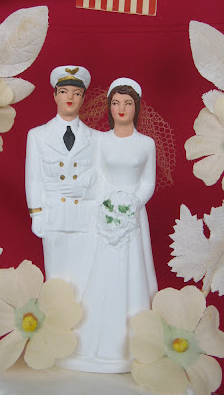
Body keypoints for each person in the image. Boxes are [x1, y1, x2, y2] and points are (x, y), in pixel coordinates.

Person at [59, 77, 158, 373]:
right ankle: (94, 343)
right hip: (105, 214)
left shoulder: (146, 144)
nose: (121, 109)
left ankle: (131, 346)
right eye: (116, 103)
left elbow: (148, 182)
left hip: (133, 215)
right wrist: (109, 200)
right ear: (109, 107)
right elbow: (97, 174)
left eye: (127, 103)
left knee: (132, 270)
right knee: (101, 270)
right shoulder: (101, 140)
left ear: (136, 107)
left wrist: (132, 203)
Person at [25, 66, 99, 297]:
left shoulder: (96, 138)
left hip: (85, 219)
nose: (70, 98)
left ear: (83, 98)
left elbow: (101, 179)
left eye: (76, 94)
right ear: (55, 95)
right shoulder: (37, 135)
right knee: (56, 279)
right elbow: (33, 177)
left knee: (84, 279)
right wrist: (36, 213)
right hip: (53, 215)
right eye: (64, 91)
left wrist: (86, 191)